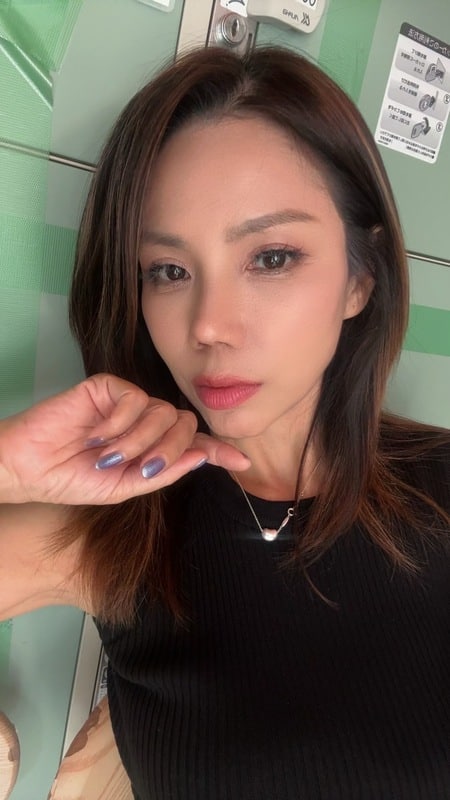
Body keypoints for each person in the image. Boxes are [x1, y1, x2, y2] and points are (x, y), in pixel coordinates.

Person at [0, 44, 449, 800]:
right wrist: (7, 466)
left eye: (271, 258)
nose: (208, 324)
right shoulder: (119, 527)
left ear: (361, 277)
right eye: (169, 271)